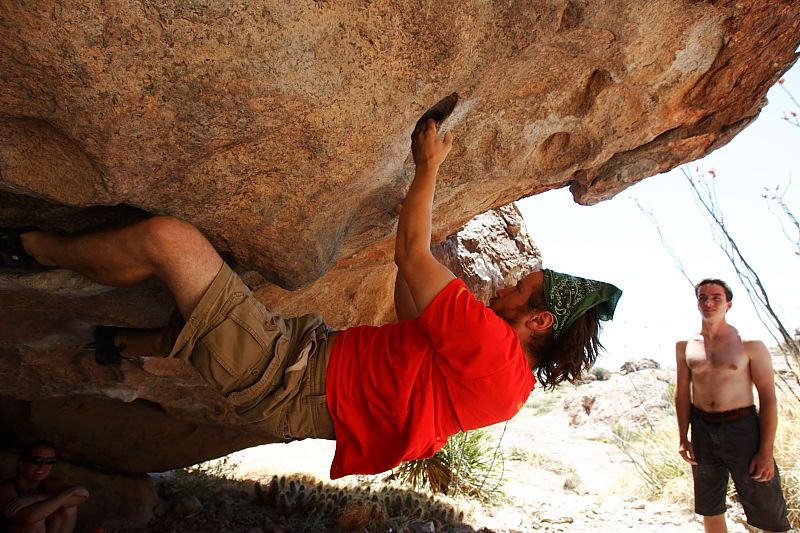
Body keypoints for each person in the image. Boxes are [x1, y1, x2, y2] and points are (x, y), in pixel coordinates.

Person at [0, 117, 621, 479]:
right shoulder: (506, 390)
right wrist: (412, 230)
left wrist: (427, 167)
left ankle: (32, 247)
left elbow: (412, 260)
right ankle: (123, 345)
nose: (508, 284)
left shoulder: (492, 349)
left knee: (171, 241)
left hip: (290, 377)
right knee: (209, 318)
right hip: (304, 377)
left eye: (522, 288)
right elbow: (413, 311)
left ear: (538, 319)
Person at [675, 279, 791, 533]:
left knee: (767, 506)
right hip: (702, 428)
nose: (709, 302)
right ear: (697, 303)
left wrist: (766, 451)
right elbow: (682, 393)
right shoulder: (685, 346)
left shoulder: (750, 345)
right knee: (710, 506)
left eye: (716, 297)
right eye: (703, 297)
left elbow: (768, 398)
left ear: (729, 304)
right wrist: (684, 437)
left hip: (742, 428)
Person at [0, 441, 89, 533]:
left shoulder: (49, 482)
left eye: (49, 461)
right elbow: (30, 518)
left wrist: (35, 499)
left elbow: (80, 498)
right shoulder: (6, 488)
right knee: (36, 522)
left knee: (68, 509)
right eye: (36, 460)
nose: (42, 466)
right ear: (21, 464)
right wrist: (67, 493)